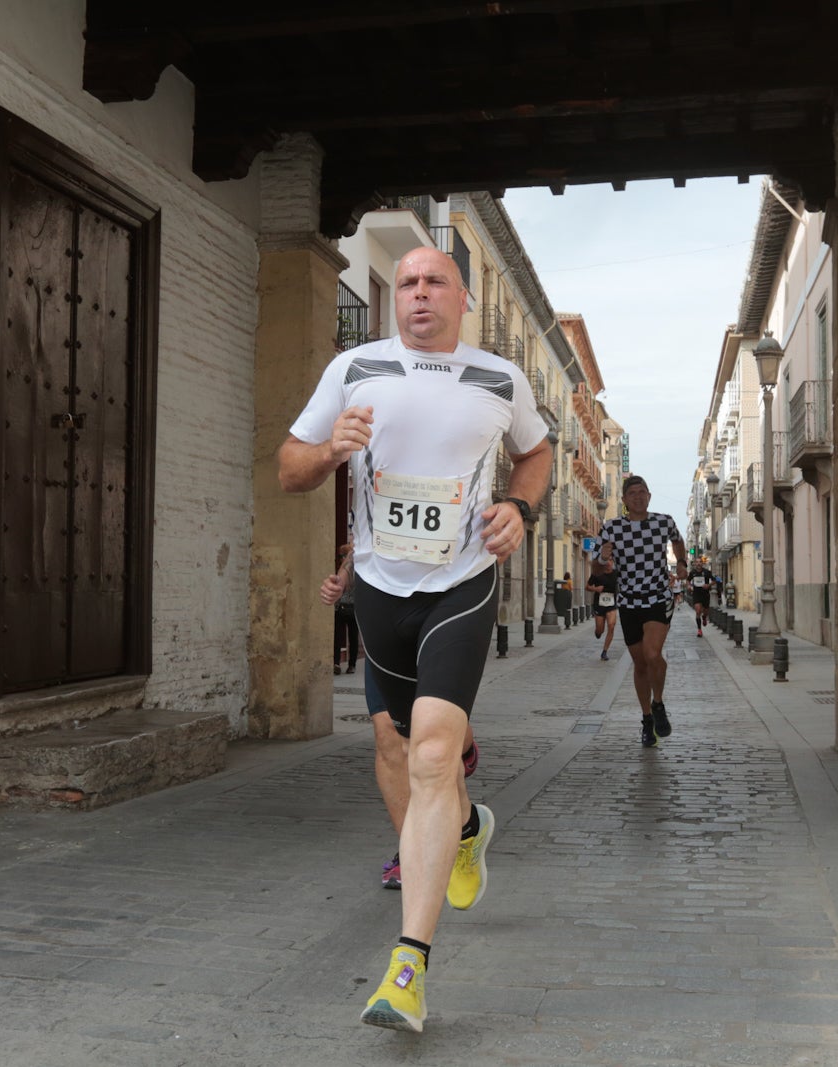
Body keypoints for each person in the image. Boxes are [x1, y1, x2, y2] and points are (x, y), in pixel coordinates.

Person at [279, 245, 553, 1033]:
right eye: (406, 282)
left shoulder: (501, 377)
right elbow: (288, 467)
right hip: (380, 593)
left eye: (435, 281)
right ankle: (468, 828)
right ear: (394, 297)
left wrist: (521, 509)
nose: (418, 293)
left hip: (461, 585)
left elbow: (536, 453)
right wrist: (332, 448)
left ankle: (407, 970)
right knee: (398, 744)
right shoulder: (354, 369)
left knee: (435, 753)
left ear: (463, 298)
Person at [319, 554, 480, 891]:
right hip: (384, 612)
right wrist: (344, 577)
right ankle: (414, 853)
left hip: (447, 605)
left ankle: (462, 750)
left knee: (435, 737)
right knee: (389, 736)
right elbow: (368, 538)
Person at [599, 474, 688, 748]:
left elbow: (677, 540)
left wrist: (682, 562)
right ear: (624, 500)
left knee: (652, 654)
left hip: (657, 597)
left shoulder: (664, 521)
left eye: (642, 491)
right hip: (628, 602)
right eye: (632, 493)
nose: (638, 496)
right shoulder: (612, 528)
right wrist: (603, 557)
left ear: (649, 496)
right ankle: (647, 719)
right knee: (639, 664)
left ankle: (658, 703)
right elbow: (597, 568)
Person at [332, 543, 361, 674]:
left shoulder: (350, 570)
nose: (341, 558)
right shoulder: (345, 570)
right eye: (340, 556)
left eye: (342, 555)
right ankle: (343, 664)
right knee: (343, 637)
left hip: (349, 608)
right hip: (347, 609)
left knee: (347, 637)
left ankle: (346, 663)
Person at [586, 558, 618, 660]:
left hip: (611, 603)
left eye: (610, 560)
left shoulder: (617, 574)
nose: (608, 562)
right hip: (599, 604)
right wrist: (595, 589)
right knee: (600, 630)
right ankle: (598, 632)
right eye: (607, 561)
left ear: (613, 562)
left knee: (611, 625)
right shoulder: (597, 574)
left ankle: (604, 651)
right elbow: (587, 587)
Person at [687, 556, 714, 637]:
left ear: (702, 563)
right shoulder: (692, 572)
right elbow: (688, 580)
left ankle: (704, 617)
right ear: (695, 564)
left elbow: (715, 580)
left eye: (700, 562)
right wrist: (688, 586)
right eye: (697, 562)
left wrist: (708, 585)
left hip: (705, 594)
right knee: (698, 611)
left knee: (705, 611)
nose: (698, 563)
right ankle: (699, 630)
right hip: (696, 594)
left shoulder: (707, 572)